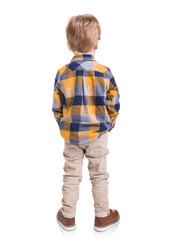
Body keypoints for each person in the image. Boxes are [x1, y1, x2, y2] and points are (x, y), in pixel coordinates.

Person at [52, 14, 120, 232]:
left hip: (71, 135)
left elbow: (57, 107)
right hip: (98, 134)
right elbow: (114, 103)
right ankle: (102, 217)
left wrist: (64, 124)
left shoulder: (62, 73)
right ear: (97, 43)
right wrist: (109, 123)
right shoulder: (104, 72)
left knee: (71, 174)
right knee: (99, 175)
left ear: (69, 44)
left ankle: (68, 217)